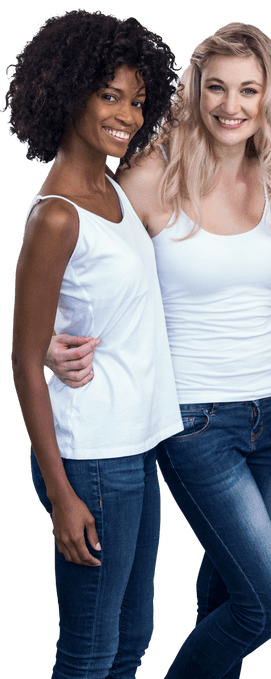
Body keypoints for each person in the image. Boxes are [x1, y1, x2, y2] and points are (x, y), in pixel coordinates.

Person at [49, 22, 271, 678]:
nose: (231, 104)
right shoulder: (147, 175)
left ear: (267, 96)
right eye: (216, 87)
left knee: (228, 593)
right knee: (270, 603)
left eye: (248, 89)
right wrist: (51, 335)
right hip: (195, 419)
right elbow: (83, 255)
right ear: (193, 91)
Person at [7, 9, 180, 678]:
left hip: (130, 449)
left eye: (138, 101)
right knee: (90, 648)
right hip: (91, 459)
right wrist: (61, 494)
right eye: (111, 96)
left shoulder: (109, 187)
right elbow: (23, 359)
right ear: (68, 90)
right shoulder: (57, 213)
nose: (129, 115)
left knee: (131, 635)